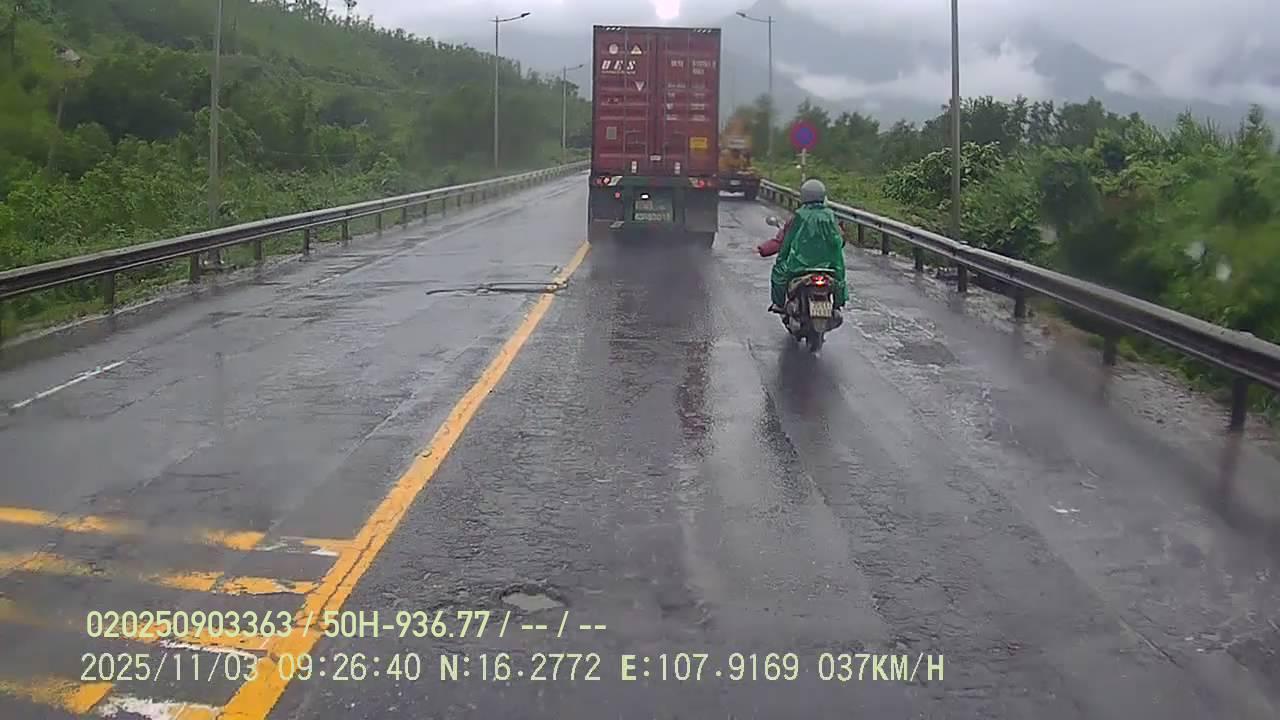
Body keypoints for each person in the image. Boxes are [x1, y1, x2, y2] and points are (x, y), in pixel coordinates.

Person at [764, 179, 847, 314]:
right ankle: (838, 304)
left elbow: (787, 242)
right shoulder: (830, 216)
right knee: (840, 278)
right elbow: (838, 241)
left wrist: (781, 258)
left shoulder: (799, 216)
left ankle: (778, 304)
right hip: (830, 266)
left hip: (799, 266)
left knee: (778, 271)